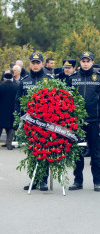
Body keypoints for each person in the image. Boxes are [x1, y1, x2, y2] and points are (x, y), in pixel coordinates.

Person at [67, 51, 100, 192]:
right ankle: (77, 181)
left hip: (94, 120)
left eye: (88, 61)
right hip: (77, 122)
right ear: (80, 62)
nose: (85, 63)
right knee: (78, 152)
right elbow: (67, 99)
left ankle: (97, 181)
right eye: (83, 61)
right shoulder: (72, 78)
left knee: (95, 153)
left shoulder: (99, 78)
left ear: (92, 62)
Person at [15, 52, 53, 191]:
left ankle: (43, 180)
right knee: (32, 152)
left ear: (42, 64)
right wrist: (16, 119)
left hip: (44, 124)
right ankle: (33, 179)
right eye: (33, 63)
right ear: (30, 64)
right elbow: (17, 101)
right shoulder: (24, 81)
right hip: (29, 123)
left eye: (38, 63)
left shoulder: (48, 79)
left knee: (44, 151)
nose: (35, 65)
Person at [0, 73, 18, 150]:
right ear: (11, 78)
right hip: (12, 110)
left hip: (1, 110)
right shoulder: (16, 86)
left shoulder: (0, 86)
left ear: (4, 78)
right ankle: (9, 145)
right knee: (10, 127)